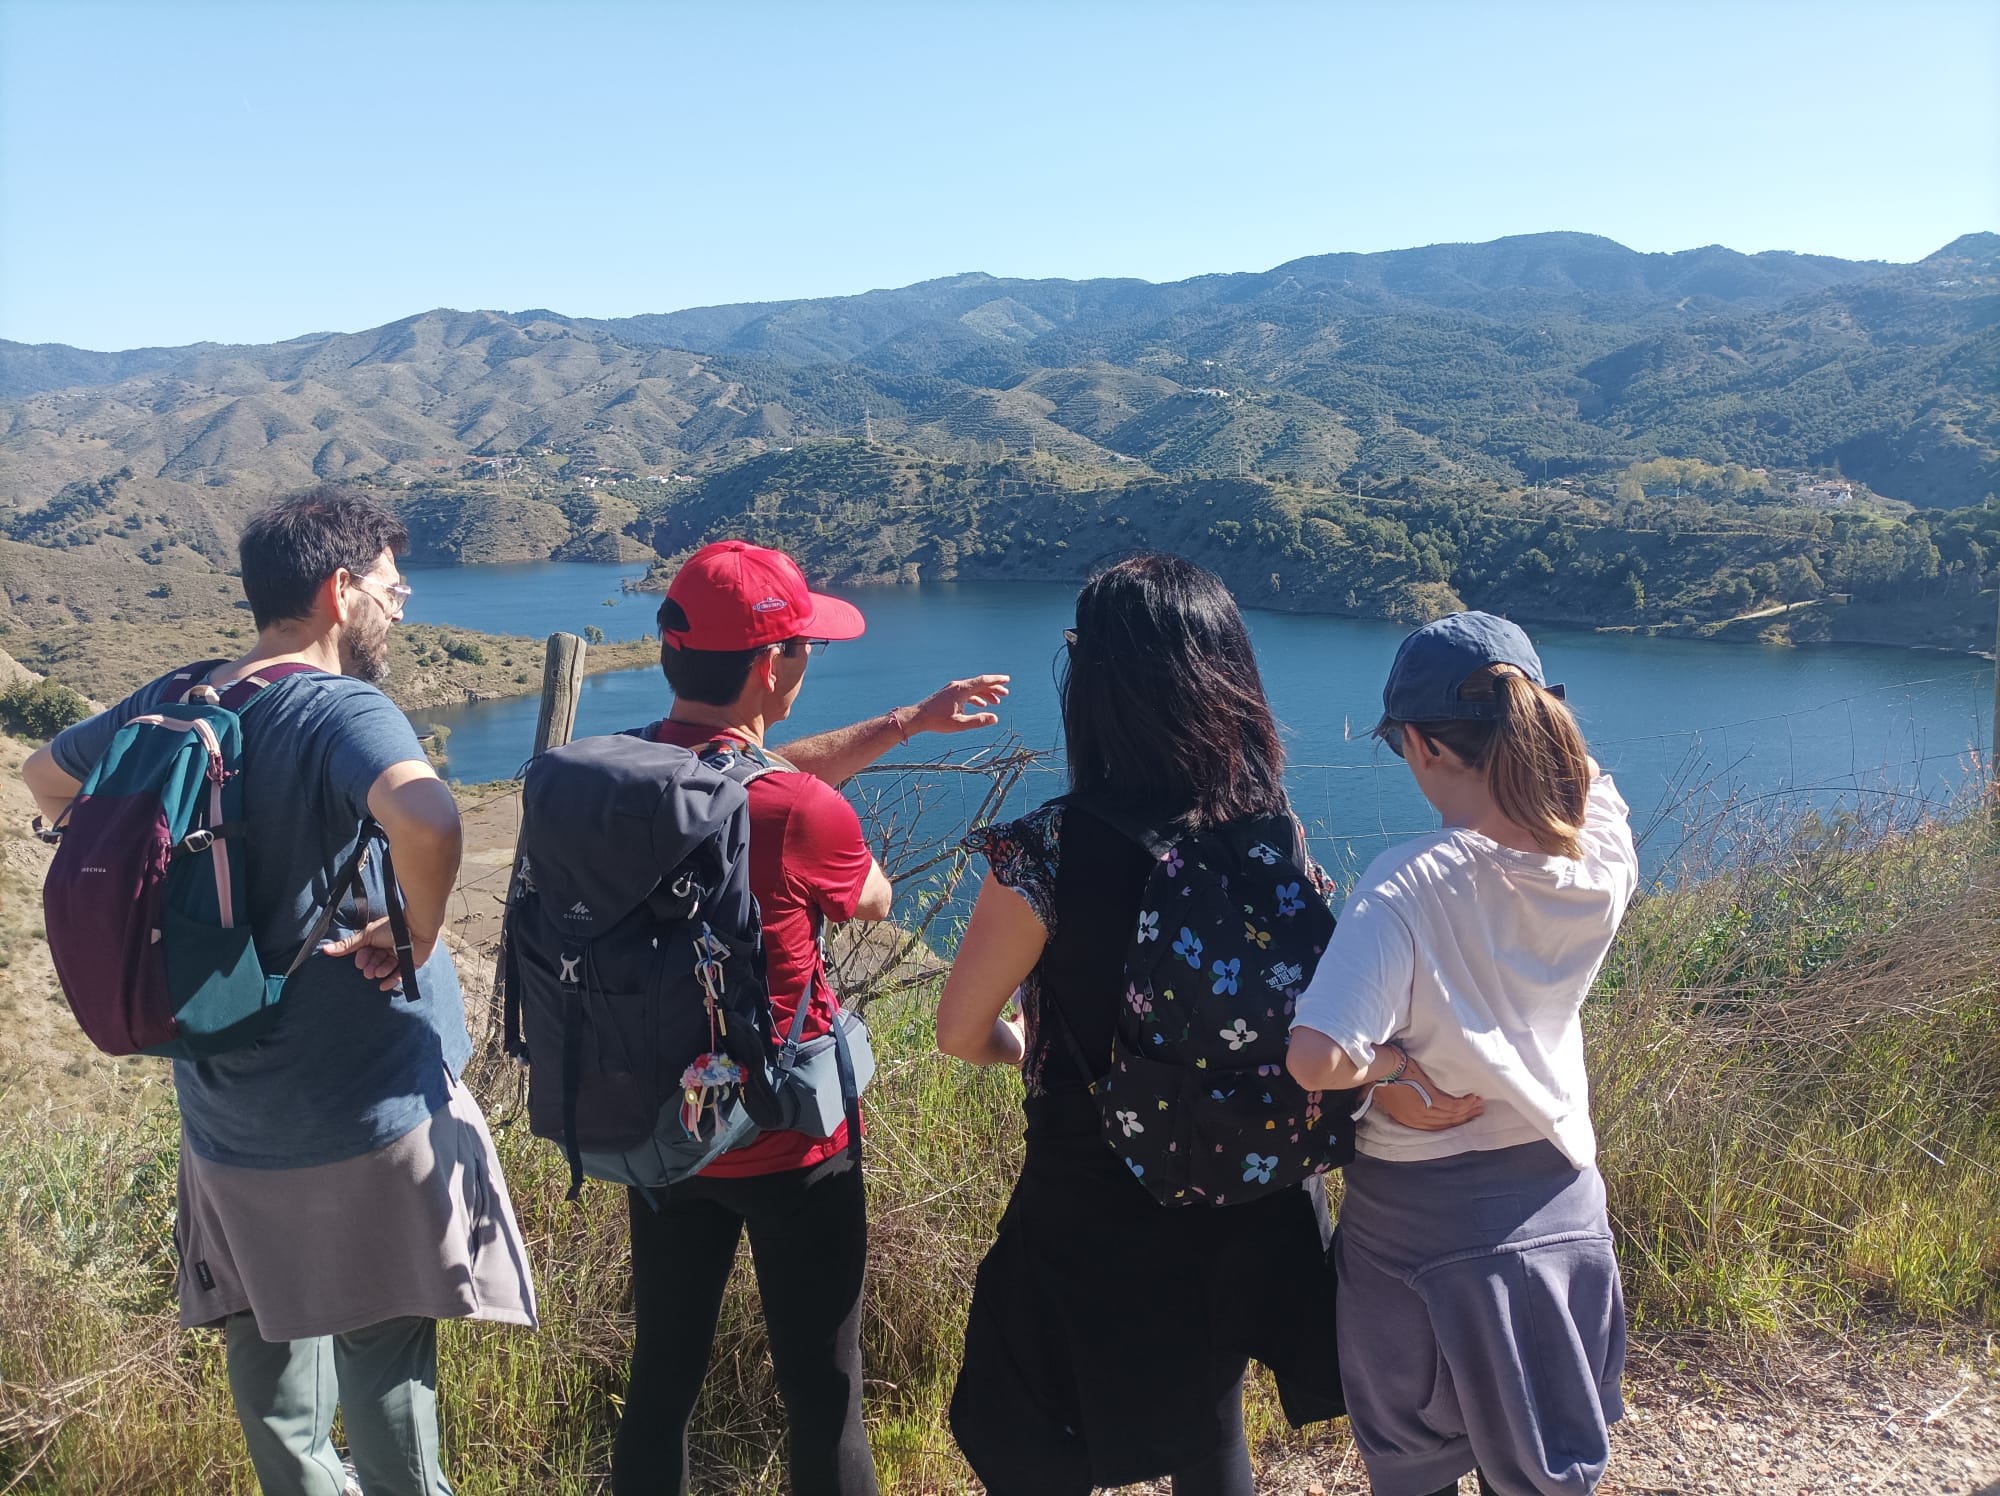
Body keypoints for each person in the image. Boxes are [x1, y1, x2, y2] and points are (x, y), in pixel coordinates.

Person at [22, 485, 536, 1496]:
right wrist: (420, 931)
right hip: (365, 1112)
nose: (403, 605)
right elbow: (428, 819)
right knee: (385, 1367)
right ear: (339, 592)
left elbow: (45, 778)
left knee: (271, 1378)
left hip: (225, 1119)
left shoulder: (177, 694)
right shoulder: (337, 704)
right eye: (391, 589)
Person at [935, 552, 1450, 1496]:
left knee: (1022, 1424)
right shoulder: (1270, 831)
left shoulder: (1048, 847)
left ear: (1093, 682)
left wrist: (1027, 1049)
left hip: (1095, 1191)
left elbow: (960, 1030)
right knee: (1211, 1430)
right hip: (1253, 1184)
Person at [614, 539, 1009, 1496]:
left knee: (662, 1375)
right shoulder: (794, 812)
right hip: (794, 1142)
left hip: (660, 1130)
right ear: (768, 666)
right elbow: (861, 888)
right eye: (803, 648)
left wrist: (904, 724)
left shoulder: (622, 782)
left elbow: (742, 778)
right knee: (824, 1394)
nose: (805, 663)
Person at [1286, 611, 1638, 1496]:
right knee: (1549, 1473)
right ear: (1541, 721)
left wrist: (1394, 1070)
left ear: (1417, 744)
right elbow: (1588, 782)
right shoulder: (1599, 854)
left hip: (1418, 1230)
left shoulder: (1409, 883)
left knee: (1415, 1472)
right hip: (1562, 1209)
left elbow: (1316, 1057)